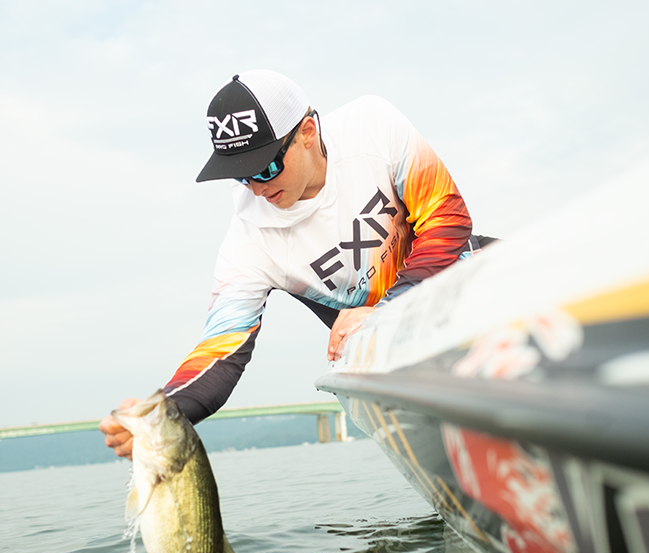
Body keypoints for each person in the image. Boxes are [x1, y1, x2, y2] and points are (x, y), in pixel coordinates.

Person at [100, 69, 475, 458]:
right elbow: (222, 354)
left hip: (460, 285)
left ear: (308, 131)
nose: (258, 188)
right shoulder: (250, 241)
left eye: (265, 167)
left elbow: (447, 219)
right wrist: (161, 415)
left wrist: (386, 310)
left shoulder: (372, 126)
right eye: (242, 176)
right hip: (392, 354)